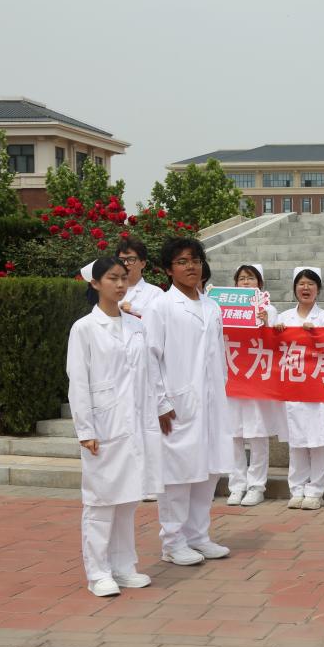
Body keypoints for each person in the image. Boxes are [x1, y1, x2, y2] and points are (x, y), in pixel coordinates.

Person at [67, 257, 162, 597]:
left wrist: (157, 413)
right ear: (95, 283)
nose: (121, 284)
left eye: (124, 278)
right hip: (104, 426)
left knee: (128, 499)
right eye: (112, 278)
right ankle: (97, 572)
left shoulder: (136, 326)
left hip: (135, 424)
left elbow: (148, 376)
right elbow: (78, 382)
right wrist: (86, 430)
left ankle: (124, 567)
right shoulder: (84, 328)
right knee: (101, 501)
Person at [145, 238, 233, 566]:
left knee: (208, 471)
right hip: (177, 404)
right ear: (169, 270)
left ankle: (198, 536)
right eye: (182, 261)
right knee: (177, 475)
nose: (191, 266)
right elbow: (150, 358)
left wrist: (221, 390)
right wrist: (160, 402)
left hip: (211, 402)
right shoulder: (161, 307)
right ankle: (172, 541)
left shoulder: (211, 306)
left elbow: (218, 355)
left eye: (195, 260)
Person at [275, 267, 324, 510]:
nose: (306, 288)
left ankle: (316, 491)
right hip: (293, 388)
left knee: (319, 441)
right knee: (297, 440)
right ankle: (297, 488)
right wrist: (275, 332)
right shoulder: (284, 318)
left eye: (311, 284)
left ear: (318, 289)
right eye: (301, 284)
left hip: (319, 388)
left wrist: (317, 335)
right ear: (294, 289)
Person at [226, 264, 281, 507]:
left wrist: (267, 323)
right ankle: (236, 485)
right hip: (233, 378)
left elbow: (277, 341)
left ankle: (256, 486)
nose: (246, 282)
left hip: (257, 379)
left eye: (250, 278)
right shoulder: (224, 309)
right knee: (233, 435)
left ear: (260, 283)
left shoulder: (269, 309)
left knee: (257, 434)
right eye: (241, 279)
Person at [117, 237, 163, 318]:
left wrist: (134, 310)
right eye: (121, 260)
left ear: (143, 264)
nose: (125, 263)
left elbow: (161, 320)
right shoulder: (109, 291)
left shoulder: (155, 293)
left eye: (131, 259)